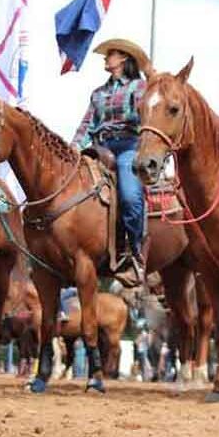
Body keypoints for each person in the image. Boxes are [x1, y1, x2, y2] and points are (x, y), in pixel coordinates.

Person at [72, 38, 150, 287]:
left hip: (129, 144)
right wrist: (73, 148)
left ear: (124, 59)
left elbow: (146, 114)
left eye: (111, 54)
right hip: (100, 146)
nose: (106, 58)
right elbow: (87, 124)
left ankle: (133, 253)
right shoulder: (98, 93)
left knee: (129, 195)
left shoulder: (140, 87)